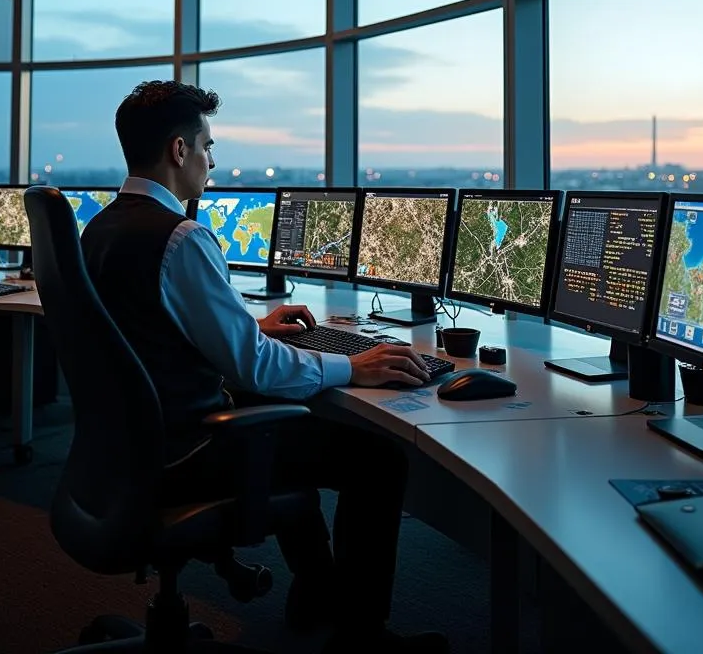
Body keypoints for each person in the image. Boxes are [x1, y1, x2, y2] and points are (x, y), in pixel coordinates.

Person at [80, 80, 448, 654]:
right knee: (374, 459)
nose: (212, 158)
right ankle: (360, 638)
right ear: (179, 151)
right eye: (207, 144)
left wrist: (249, 328)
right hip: (185, 453)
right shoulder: (181, 238)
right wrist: (356, 365)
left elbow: (146, 333)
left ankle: (319, 589)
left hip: (127, 447)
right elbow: (255, 369)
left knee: (285, 420)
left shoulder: (99, 229)